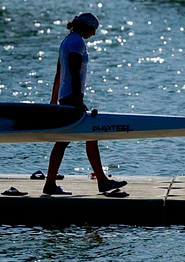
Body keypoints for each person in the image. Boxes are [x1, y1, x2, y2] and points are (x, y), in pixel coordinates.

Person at [43, 12, 127, 195]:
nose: (94, 34)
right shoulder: (76, 42)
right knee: (76, 137)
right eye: (93, 30)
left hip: (66, 97)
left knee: (78, 137)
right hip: (72, 98)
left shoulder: (67, 40)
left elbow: (59, 73)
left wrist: (53, 99)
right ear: (86, 27)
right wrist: (78, 101)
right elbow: (72, 71)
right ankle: (99, 182)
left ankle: (54, 183)